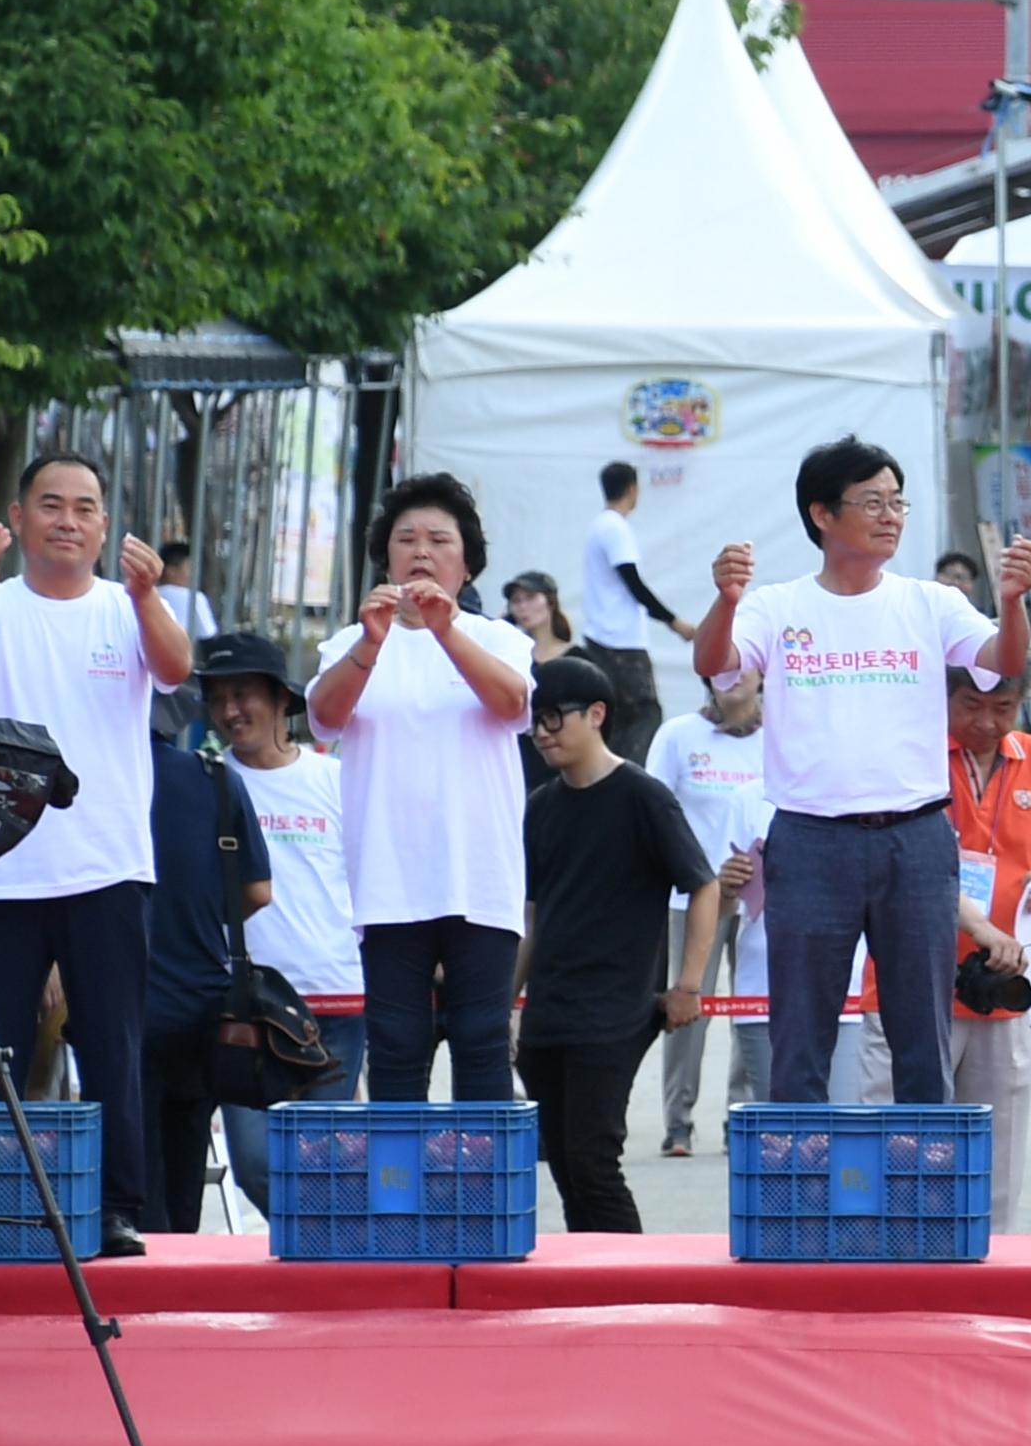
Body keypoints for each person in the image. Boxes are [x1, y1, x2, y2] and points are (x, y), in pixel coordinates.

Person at [696, 436, 1031, 1108]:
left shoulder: (927, 603)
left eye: (897, 501)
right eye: (872, 502)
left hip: (913, 841)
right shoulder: (779, 605)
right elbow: (718, 662)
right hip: (811, 839)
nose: (890, 515)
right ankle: (797, 1200)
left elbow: (1001, 660)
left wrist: (1014, 600)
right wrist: (726, 599)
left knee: (921, 1037)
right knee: (801, 1037)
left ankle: (924, 1202)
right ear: (822, 514)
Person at [0, 450, 193, 1257]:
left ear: (105, 525)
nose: (68, 520)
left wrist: (149, 596)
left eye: (84, 507)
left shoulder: (127, 605)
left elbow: (178, 673)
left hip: (108, 864)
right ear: (19, 514)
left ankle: (115, 1209)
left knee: (113, 1047)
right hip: (0, 867)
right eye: (51, 504)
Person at [311, 475, 536, 1104]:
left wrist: (443, 630)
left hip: (480, 875)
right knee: (397, 1042)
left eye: (440, 539)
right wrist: (370, 644)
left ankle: (482, 1199)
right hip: (388, 877)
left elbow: (511, 699)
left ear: (466, 565)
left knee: (482, 1036)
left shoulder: (499, 639)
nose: (421, 550)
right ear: (386, 558)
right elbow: (324, 718)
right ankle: (399, 1200)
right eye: (406, 538)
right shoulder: (350, 642)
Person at [513, 657, 717, 1233]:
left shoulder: (642, 797)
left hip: (615, 1011)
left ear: (596, 715)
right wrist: (509, 998)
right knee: (566, 1168)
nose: (542, 732)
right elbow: (534, 915)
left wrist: (688, 986)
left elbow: (701, 885)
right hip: (549, 1015)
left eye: (554, 718)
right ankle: (589, 1292)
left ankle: (631, 1294)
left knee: (594, 1161)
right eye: (535, 720)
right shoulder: (541, 807)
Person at [943, 668, 1031, 1233]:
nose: (986, 722)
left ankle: (990, 1271)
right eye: (971, 705)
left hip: (1007, 986)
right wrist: (981, 928)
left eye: (1003, 707)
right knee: (906, 1144)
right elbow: (915, 869)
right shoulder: (917, 755)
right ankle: (903, 1276)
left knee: (997, 1160)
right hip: (915, 983)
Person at [194, 628, 362, 1107]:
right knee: (257, 1163)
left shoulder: (335, 778)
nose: (230, 712)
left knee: (319, 1162)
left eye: (242, 695)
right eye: (218, 699)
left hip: (335, 991)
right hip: (246, 1006)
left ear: (280, 698)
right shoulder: (207, 780)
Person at [138, 724, 273, 1233]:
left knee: (131, 1160)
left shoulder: (96, 776)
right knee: (186, 1152)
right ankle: (178, 1264)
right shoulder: (214, 778)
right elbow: (258, 891)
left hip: (121, 1000)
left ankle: (137, 1270)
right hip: (200, 998)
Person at [644, 677, 767, 1155]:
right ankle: (678, 1120)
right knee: (688, 1003)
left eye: (740, 668)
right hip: (694, 896)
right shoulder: (680, 735)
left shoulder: (779, 737)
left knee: (753, 1006)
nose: (730, 679)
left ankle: (743, 1112)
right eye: (719, 670)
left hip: (758, 900)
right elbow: (654, 809)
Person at [575, 462, 692, 764]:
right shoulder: (615, 527)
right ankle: (628, 777)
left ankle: (608, 774)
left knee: (617, 716)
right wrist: (673, 621)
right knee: (644, 713)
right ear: (632, 489)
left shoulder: (598, 526)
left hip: (600, 635)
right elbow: (633, 582)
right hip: (621, 640)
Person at [154, 542, 217, 645]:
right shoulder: (193, 598)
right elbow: (209, 636)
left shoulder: (145, 595)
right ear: (171, 571)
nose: (194, 574)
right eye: (190, 568)